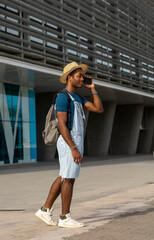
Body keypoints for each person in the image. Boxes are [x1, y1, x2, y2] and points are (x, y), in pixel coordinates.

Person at [35, 62, 103, 228]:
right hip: (69, 141)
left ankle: (45, 210)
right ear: (69, 77)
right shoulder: (62, 96)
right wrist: (73, 148)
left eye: (82, 76)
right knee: (69, 178)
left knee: (63, 175)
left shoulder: (78, 97)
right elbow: (62, 125)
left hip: (76, 140)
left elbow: (98, 109)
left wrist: (92, 89)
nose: (82, 79)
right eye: (79, 76)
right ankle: (65, 217)